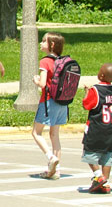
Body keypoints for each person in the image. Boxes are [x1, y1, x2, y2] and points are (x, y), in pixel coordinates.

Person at [32, 32, 67, 179]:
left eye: (44, 41)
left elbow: (43, 84)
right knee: (55, 135)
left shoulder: (45, 62)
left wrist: (36, 80)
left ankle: (50, 157)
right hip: (62, 103)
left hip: (48, 101)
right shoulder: (63, 61)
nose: (41, 43)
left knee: (36, 132)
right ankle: (56, 170)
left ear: (51, 45)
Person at [81, 63, 112, 194]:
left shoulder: (95, 90)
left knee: (89, 152)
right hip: (111, 129)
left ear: (101, 75)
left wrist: (87, 93)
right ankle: (106, 183)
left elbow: (87, 105)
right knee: (107, 155)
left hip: (96, 128)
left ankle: (99, 176)